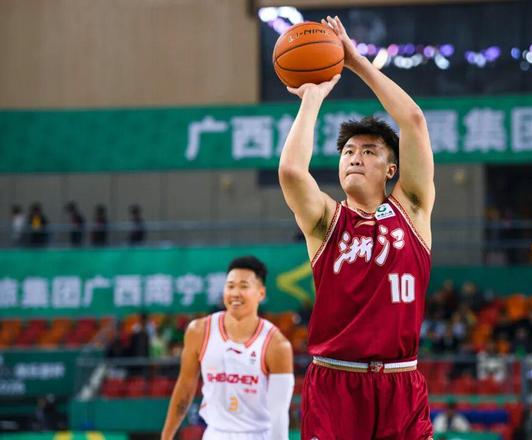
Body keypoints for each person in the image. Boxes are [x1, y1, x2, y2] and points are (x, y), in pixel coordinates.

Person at [278, 15, 435, 439]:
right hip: (335, 383)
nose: (355, 157)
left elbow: (413, 120)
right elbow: (291, 172)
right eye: (348, 151)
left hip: (401, 382)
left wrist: (355, 62)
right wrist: (312, 97)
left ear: (391, 169)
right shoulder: (326, 222)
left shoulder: (412, 209)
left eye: (369, 151)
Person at [161, 256, 294, 440]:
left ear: (261, 293)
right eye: (230, 286)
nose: (235, 293)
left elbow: (279, 415)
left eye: (244, 286)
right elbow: (184, 388)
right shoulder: (199, 331)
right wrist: (166, 436)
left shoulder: (277, 345)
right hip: (215, 433)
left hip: (258, 435)